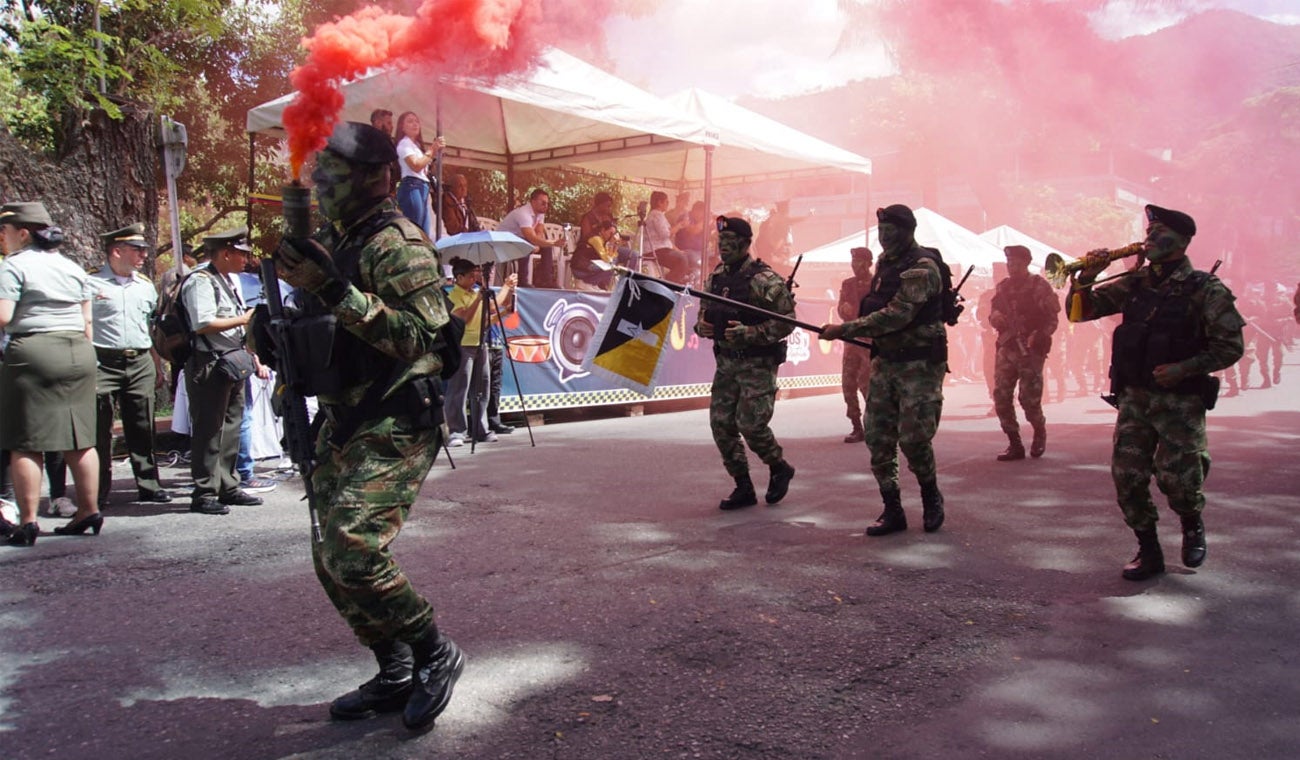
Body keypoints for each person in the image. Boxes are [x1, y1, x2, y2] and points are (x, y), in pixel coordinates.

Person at [270, 121, 463, 730]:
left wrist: (330, 287)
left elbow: (418, 338)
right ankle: (394, 667)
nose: (322, 186)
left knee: (353, 547)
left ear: (379, 178)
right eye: (319, 173)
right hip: (342, 414)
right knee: (328, 556)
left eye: (336, 174)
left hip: (397, 413)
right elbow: (316, 331)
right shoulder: (335, 237)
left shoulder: (395, 244)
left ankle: (435, 653)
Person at [1064, 204, 1244, 580]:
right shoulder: (1136, 284)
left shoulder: (1204, 289)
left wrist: (1184, 368)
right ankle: (1148, 550)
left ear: (1180, 241)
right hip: (1135, 399)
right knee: (1127, 476)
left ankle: (1191, 523)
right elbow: (1080, 313)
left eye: (1158, 232)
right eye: (1148, 232)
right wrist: (1084, 277)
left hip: (1180, 403)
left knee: (1178, 479)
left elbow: (1230, 347)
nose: (1148, 239)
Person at [819, 204, 949, 537]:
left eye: (890, 232)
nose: (884, 238)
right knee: (877, 437)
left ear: (908, 231)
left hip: (918, 366)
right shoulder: (885, 265)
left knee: (914, 439)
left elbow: (897, 315)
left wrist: (844, 329)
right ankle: (892, 509)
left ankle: (931, 496)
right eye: (881, 232)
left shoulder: (922, 267)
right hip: (886, 361)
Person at [0, 201, 103, 545]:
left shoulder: (13, 266)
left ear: (23, 233)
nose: (2, 238)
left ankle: (27, 521)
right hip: (78, 350)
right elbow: (87, 319)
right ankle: (88, 509)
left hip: (35, 350)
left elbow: (3, 315)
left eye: (5, 231)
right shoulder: (70, 266)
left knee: (25, 441)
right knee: (81, 438)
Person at [693, 216, 796, 511]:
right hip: (726, 363)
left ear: (745, 243)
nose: (723, 248)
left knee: (751, 425)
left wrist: (750, 333)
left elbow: (787, 321)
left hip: (757, 364)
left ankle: (778, 466)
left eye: (729, 242)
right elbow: (702, 318)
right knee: (721, 425)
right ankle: (743, 485)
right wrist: (703, 328)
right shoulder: (715, 279)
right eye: (720, 242)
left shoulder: (765, 280)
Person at [181, 227, 264, 515]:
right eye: (241, 254)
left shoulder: (225, 279)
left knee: (231, 425)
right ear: (226, 253)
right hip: (210, 361)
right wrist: (243, 318)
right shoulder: (201, 281)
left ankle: (228, 485)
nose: (246, 260)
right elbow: (202, 323)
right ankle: (205, 490)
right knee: (209, 429)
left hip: (231, 360)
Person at [90, 223, 171, 508]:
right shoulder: (91, 283)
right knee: (99, 429)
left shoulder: (145, 286)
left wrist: (157, 364)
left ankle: (149, 485)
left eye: (144, 250)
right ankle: (97, 491)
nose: (144, 255)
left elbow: (149, 329)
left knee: (142, 425)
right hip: (102, 361)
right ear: (116, 251)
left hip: (139, 361)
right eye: (137, 250)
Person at [988, 245, 1060, 460]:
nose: (1013, 267)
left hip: (1030, 350)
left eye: (1017, 263)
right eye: (1010, 263)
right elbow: (991, 313)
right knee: (1001, 396)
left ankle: (1039, 431)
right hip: (1007, 347)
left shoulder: (1039, 287)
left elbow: (1052, 319)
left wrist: (1039, 336)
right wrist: (995, 319)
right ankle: (1014, 443)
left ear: (1026, 263)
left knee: (1029, 400)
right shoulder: (1002, 288)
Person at [443, 257, 516, 446]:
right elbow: (464, 319)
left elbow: (487, 315)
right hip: (463, 346)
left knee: (482, 389)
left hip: (480, 344)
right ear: (459, 277)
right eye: (470, 276)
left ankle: (481, 429)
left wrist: (507, 289)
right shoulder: (453, 296)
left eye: (475, 275)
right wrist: (478, 298)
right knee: (459, 389)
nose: (474, 279)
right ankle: (457, 431)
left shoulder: (474, 293)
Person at [837, 247, 874, 443]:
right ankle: (856, 426)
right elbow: (841, 308)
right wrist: (844, 311)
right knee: (848, 383)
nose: (855, 266)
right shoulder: (847, 284)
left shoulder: (877, 284)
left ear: (869, 263)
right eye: (852, 262)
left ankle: (874, 425)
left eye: (859, 262)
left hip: (869, 340)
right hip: (851, 340)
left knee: (867, 384)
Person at [497, 188, 563, 288]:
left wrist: (538, 244)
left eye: (547, 203)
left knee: (546, 247)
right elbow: (530, 236)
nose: (546, 206)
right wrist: (552, 243)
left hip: (520, 239)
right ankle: (522, 281)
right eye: (543, 203)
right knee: (526, 245)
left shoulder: (540, 213)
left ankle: (546, 281)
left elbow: (539, 231)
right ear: (533, 201)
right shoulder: (523, 213)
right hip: (504, 242)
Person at [394, 111, 444, 239]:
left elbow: (423, 167)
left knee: (424, 232)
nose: (415, 124)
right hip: (411, 186)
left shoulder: (416, 146)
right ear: (402, 127)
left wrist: (434, 153)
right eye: (410, 121)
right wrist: (432, 150)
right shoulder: (404, 144)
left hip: (422, 187)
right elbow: (415, 165)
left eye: (416, 121)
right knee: (415, 229)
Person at [644, 190, 691, 285]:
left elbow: (666, 239)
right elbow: (665, 234)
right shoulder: (656, 214)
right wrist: (679, 225)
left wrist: (677, 249)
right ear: (659, 202)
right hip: (656, 250)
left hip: (660, 249)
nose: (668, 204)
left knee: (684, 258)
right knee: (682, 260)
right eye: (666, 202)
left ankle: (673, 281)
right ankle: (668, 283)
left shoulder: (658, 215)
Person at [570, 219, 620, 290]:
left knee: (614, 263)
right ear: (603, 230)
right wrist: (611, 243)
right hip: (579, 269)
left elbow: (611, 258)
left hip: (587, 266)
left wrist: (614, 248)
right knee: (611, 268)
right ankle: (586, 283)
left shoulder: (603, 240)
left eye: (613, 234)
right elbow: (607, 259)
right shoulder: (596, 239)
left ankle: (592, 283)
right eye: (610, 233)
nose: (612, 236)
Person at [369, 108, 399, 197]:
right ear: (378, 123)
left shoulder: (386, 142)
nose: (392, 126)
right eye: (389, 123)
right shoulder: (371, 141)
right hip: (375, 194)